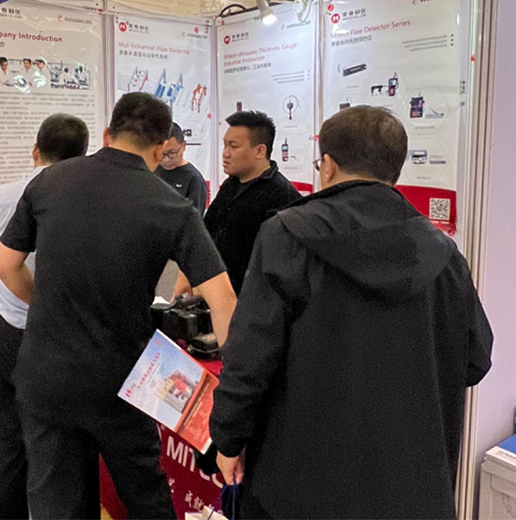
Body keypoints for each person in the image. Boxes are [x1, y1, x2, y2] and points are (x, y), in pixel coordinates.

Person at [209, 105, 493, 520]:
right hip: (411, 488)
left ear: (327, 166)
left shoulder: (287, 235)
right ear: (395, 169)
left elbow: (249, 357)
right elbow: (476, 359)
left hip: (300, 483)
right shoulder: (444, 255)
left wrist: (228, 439)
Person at [0, 92, 237, 519]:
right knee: (146, 498)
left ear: (107, 133)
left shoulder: (48, 181)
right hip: (121, 378)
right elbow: (223, 299)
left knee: (56, 502)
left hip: (45, 373)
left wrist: (46, 304)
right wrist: (236, 393)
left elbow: (4, 264)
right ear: (161, 148)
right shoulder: (172, 206)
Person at [0, 114, 90, 520]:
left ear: (35, 150)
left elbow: (0, 261)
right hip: (61, 335)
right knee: (64, 445)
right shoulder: (85, 200)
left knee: (8, 437)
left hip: (10, 329)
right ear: (83, 157)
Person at [174, 110, 301, 298]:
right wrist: (186, 274)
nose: (225, 153)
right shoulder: (230, 185)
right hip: (213, 295)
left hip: (251, 302)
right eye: (225, 145)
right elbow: (205, 233)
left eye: (233, 146)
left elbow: (280, 266)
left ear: (260, 151)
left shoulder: (283, 196)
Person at [155, 122, 207, 214]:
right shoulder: (151, 170)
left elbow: (195, 218)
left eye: (172, 153)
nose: (166, 159)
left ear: (183, 146)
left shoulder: (194, 180)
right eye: (162, 153)